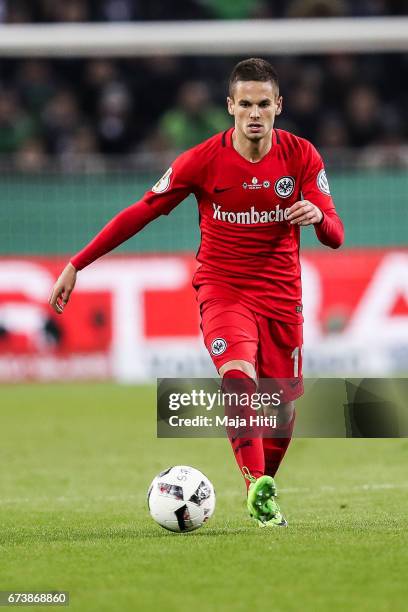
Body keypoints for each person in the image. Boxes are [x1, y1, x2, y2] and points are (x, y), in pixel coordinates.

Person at [49, 58, 344, 527]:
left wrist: (318, 217)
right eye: (244, 103)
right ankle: (255, 486)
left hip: (281, 296)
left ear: (278, 106)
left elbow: (335, 235)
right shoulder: (203, 160)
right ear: (229, 106)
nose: (253, 113)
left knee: (281, 410)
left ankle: (263, 482)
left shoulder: (302, 156)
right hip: (222, 290)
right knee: (238, 376)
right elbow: (141, 211)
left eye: (263, 104)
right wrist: (77, 263)